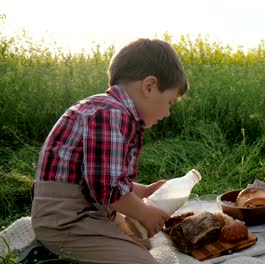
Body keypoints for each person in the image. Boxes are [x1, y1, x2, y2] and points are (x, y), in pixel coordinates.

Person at [30, 38, 189, 264]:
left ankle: (63, 250)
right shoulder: (112, 115)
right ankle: (52, 252)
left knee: (141, 241)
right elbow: (106, 189)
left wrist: (142, 192)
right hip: (66, 220)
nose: (167, 113)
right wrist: (144, 213)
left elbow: (98, 177)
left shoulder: (107, 109)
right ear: (149, 86)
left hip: (85, 210)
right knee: (142, 260)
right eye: (170, 102)